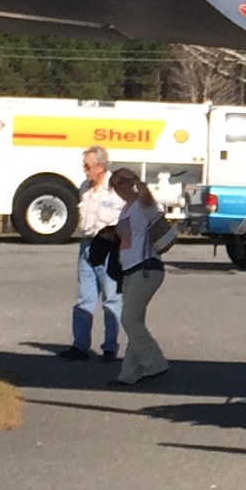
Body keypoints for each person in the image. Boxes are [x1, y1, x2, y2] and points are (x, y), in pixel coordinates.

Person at [109, 164, 174, 386]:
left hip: (147, 268)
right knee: (134, 321)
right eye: (115, 184)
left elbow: (147, 197)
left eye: (121, 182)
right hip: (130, 270)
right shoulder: (125, 209)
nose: (118, 187)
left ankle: (155, 363)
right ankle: (129, 374)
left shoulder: (143, 204)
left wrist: (136, 179)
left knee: (128, 318)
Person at [65, 147, 123, 361]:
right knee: (84, 298)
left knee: (111, 299)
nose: (85, 171)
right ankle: (80, 346)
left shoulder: (118, 188)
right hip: (87, 246)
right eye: (84, 166)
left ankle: (110, 347)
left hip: (109, 248)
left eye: (88, 167)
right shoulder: (84, 187)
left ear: (101, 166)